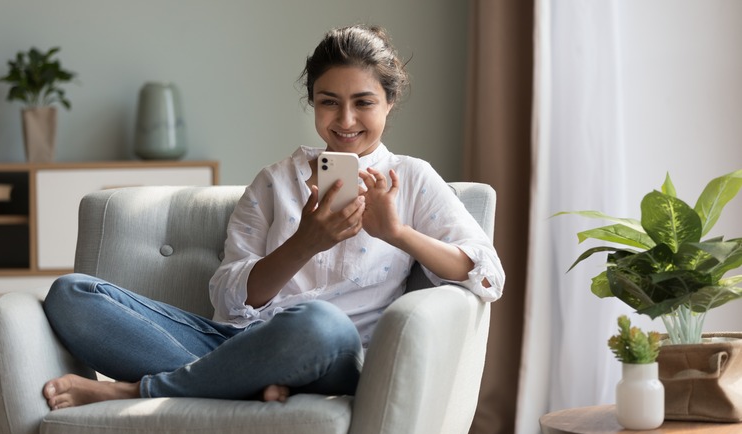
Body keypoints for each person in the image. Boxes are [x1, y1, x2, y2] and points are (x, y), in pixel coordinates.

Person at [42, 24, 505, 411]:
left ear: (389, 102)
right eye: (329, 101)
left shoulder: (413, 179)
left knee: (317, 322)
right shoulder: (274, 182)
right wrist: (306, 242)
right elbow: (228, 299)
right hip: (236, 343)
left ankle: (136, 390)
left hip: (331, 351)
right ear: (312, 102)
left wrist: (398, 233)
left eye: (363, 102)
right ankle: (244, 382)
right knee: (72, 293)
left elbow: (487, 276)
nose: (345, 119)